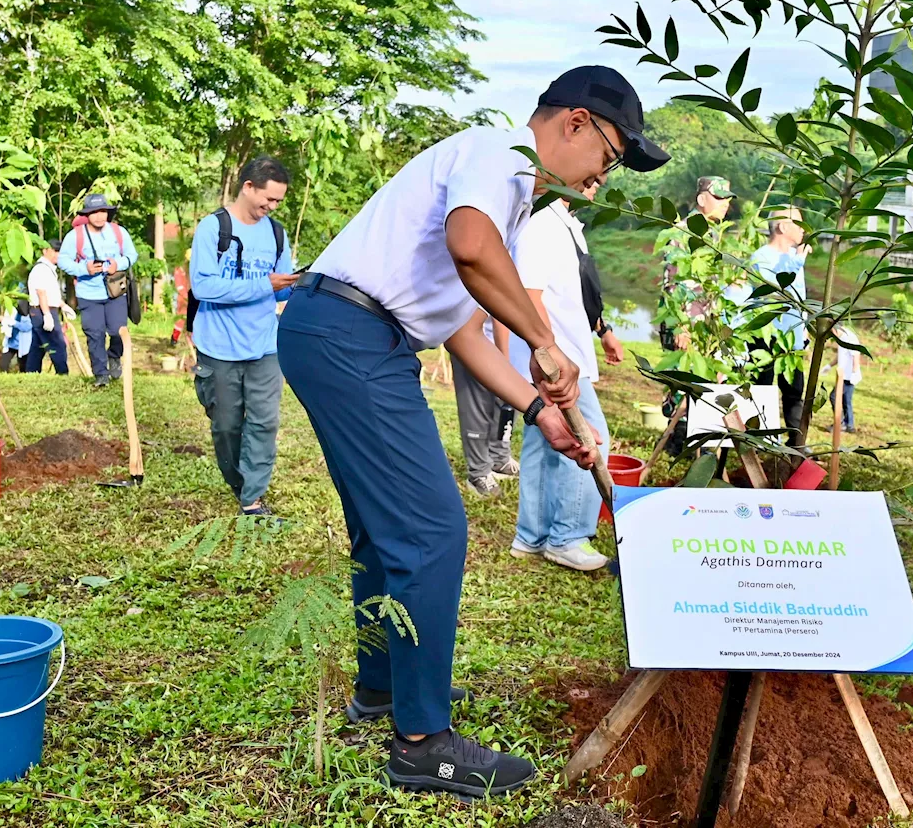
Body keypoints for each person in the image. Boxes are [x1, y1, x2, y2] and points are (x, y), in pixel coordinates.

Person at [276, 65, 667, 798]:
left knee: (384, 530)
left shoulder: (504, 195)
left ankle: (386, 689)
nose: (601, 180)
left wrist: (538, 408)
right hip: (351, 334)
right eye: (609, 159)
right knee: (432, 531)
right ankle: (423, 746)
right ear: (574, 123)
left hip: (349, 333)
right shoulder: (500, 156)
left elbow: (459, 324)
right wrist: (544, 344)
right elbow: (470, 247)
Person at [509, 183, 611, 572]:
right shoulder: (542, 223)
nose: (596, 181)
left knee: (541, 443)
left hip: (562, 354)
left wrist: (604, 330)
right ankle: (567, 536)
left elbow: (574, 294)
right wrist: (550, 356)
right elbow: (530, 295)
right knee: (587, 439)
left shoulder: (564, 221)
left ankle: (531, 536)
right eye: (589, 174)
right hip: (559, 362)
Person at [190, 156, 298, 516]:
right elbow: (204, 286)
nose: (272, 207)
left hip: (265, 345)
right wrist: (263, 284)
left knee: (265, 421)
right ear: (248, 187)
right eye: (268, 199)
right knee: (226, 426)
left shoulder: (276, 233)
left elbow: (279, 291)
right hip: (219, 346)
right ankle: (239, 482)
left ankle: (252, 497)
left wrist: (296, 286)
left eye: (279, 202)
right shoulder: (212, 228)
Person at [740, 206, 811, 439]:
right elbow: (772, 291)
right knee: (762, 388)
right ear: (782, 226)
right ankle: (763, 440)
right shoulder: (760, 257)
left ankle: (797, 443)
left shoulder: (794, 258)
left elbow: (799, 297)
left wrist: (804, 329)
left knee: (794, 391)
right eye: (798, 223)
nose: (803, 229)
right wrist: (798, 261)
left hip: (792, 338)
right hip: (766, 335)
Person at [58, 194, 137, 387]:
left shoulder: (119, 232)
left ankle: (114, 356)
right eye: (94, 212)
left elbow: (131, 255)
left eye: (102, 211)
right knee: (95, 335)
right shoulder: (75, 236)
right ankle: (101, 375)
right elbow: (63, 261)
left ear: (108, 213)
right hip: (88, 294)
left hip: (115, 291)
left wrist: (118, 264)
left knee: (119, 331)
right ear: (87, 215)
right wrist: (84, 269)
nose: (99, 216)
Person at [658, 176, 734, 352]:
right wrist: (680, 325)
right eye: (719, 198)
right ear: (701, 199)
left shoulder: (713, 234)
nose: (725, 204)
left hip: (705, 322)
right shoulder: (683, 231)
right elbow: (671, 282)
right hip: (686, 323)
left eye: (727, 200)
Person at [453, 317, 519, 497]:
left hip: (506, 345)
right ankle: (479, 472)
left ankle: (499, 459)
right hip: (475, 341)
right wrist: (503, 360)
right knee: (476, 408)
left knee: (506, 404)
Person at [26, 239, 69, 375]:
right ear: (45, 251)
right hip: (42, 310)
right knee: (57, 344)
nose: (57, 254)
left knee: (38, 346)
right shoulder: (41, 268)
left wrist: (63, 306)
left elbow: (51, 294)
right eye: (55, 251)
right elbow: (41, 292)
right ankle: (63, 374)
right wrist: (47, 315)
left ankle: (31, 374)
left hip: (44, 309)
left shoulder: (48, 269)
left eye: (59, 252)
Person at [835, 323, 863, 433]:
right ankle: (848, 425)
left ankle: (843, 423)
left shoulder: (848, 337)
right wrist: (829, 365)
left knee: (837, 398)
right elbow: (841, 355)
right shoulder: (841, 337)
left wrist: (855, 372)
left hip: (849, 376)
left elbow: (855, 354)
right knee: (845, 400)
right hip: (843, 375)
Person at [0, 299, 32, 373]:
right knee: (3, 365)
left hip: (23, 345)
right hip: (11, 343)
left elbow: (27, 327)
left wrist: (14, 323)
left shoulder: (27, 315)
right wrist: (2, 321)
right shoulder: (12, 311)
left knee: (24, 367)